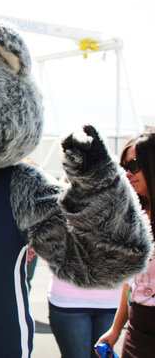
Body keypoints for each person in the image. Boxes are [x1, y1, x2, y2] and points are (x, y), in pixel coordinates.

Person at [97, 131, 155, 357]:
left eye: (134, 165)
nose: (128, 173)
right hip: (137, 328)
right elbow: (131, 284)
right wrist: (115, 330)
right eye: (124, 167)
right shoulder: (134, 216)